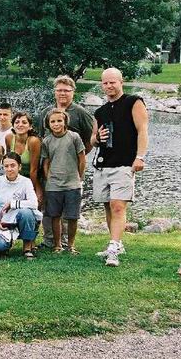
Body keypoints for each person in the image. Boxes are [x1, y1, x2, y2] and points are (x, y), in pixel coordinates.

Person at [91, 67, 149, 268]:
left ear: (121, 82)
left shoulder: (134, 102)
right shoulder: (100, 111)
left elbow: (143, 130)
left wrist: (140, 157)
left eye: (112, 82)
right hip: (103, 165)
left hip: (125, 164)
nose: (109, 86)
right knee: (108, 206)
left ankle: (113, 249)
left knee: (118, 205)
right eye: (105, 83)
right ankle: (116, 243)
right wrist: (97, 138)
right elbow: (92, 140)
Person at [36, 75, 94, 251]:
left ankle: (68, 242)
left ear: (73, 92)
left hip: (71, 171)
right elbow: (41, 138)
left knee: (70, 210)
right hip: (51, 168)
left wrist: (77, 160)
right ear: (54, 92)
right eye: (59, 90)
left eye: (66, 90)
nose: (62, 93)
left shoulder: (80, 113)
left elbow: (90, 139)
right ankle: (50, 240)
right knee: (50, 208)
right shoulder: (46, 112)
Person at [42, 109, 86, 255]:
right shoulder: (47, 141)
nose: (56, 124)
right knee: (55, 216)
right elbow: (46, 162)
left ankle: (71, 245)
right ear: (48, 124)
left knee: (72, 216)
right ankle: (58, 245)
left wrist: (79, 177)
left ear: (65, 121)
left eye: (59, 121)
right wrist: (48, 178)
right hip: (53, 185)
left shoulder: (74, 137)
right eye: (53, 121)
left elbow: (82, 158)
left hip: (73, 183)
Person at [0, 153, 42, 259]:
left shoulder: (26, 182)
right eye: (6, 166)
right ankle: (5, 246)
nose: (9, 169)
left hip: (21, 219)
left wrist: (13, 204)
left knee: (27, 212)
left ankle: (27, 248)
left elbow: (34, 203)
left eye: (13, 165)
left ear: (19, 167)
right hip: (4, 222)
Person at [5, 112, 43, 204]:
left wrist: (31, 190)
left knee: (36, 201)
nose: (20, 125)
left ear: (30, 126)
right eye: (17, 122)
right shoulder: (9, 138)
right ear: (13, 125)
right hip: (15, 178)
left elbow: (34, 170)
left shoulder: (33, 141)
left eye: (24, 122)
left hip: (32, 178)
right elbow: (8, 162)